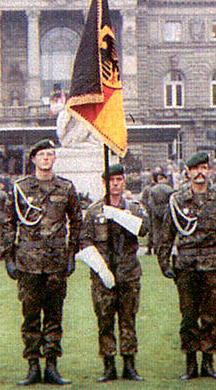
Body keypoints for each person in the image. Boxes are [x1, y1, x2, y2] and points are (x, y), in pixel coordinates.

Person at [0, 139, 81, 386]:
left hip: (56, 262)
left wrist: (70, 255)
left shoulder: (65, 187)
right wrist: (9, 256)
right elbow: (8, 223)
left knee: (55, 315)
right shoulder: (20, 188)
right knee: (31, 316)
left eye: (50, 154)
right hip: (28, 263)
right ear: (33, 159)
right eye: (42, 155)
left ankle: (52, 367)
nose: (46, 158)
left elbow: (76, 221)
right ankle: (33, 365)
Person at [156, 152, 216, 380]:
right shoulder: (177, 200)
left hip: (213, 265)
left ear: (210, 171)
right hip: (186, 266)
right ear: (188, 173)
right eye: (196, 169)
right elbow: (166, 235)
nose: (200, 173)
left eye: (204, 168)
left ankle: (208, 362)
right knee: (188, 316)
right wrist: (164, 263)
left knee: (210, 316)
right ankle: (191, 362)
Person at [80, 163, 149, 382]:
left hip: (128, 273)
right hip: (104, 276)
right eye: (111, 180)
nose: (116, 184)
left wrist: (119, 216)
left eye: (119, 179)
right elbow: (84, 241)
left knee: (128, 320)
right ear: (104, 183)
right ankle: (108, 365)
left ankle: (129, 364)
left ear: (124, 181)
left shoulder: (134, 207)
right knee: (105, 319)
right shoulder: (94, 211)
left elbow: (144, 229)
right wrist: (101, 269)